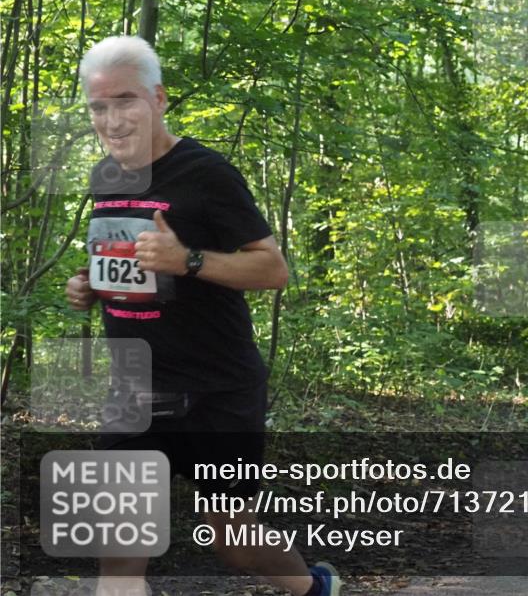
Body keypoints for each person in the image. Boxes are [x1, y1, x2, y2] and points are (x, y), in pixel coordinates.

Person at [64, 37, 340, 596]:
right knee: (118, 558)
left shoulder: (206, 173)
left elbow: (273, 269)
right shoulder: (105, 177)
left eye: (126, 101)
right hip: (135, 391)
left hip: (216, 392)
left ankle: (314, 589)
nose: (112, 120)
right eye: (98, 107)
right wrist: (91, 284)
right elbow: (129, 268)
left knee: (233, 542)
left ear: (159, 99)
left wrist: (187, 260)